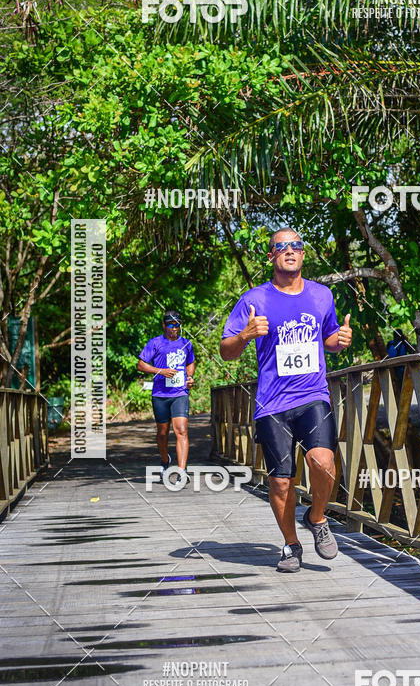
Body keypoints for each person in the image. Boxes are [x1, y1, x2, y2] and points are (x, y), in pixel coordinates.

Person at [220, 228, 352, 573]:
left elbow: (329, 339)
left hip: (313, 396)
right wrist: (245, 336)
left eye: (296, 246)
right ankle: (291, 546)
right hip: (272, 403)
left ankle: (317, 517)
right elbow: (226, 351)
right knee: (281, 480)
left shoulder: (322, 295)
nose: (290, 251)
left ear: (303, 254)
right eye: (281, 247)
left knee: (323, 463)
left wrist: (341, 339)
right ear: (271, 257)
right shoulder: (254, 299)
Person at [137, 310, 195, 481]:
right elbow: (141, 365)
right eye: (170, 324)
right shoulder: (155, 343)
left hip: (180, 393)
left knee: (181, 431)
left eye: (177, 325)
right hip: (160, 394)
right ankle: (164, 461)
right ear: (164, 325)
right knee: (162, 433)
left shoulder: (186, 344)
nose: (174, 328)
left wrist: (189, 377)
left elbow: (190, 363)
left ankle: (182, 471)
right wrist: (160, 371)